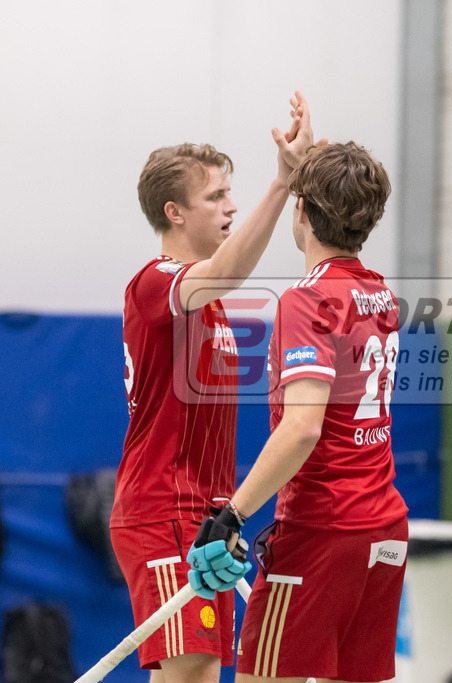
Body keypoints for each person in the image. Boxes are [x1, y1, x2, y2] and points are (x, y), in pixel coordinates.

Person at [110, 92, 315, 683]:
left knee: (198, 676)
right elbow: (229, 267)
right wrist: (283, 184)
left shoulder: (213, 308)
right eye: (216, 196)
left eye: (232, 192)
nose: (231, 205)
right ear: (175, 212)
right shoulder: (156, 285)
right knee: (191, 674)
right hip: (163, 511)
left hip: (206, 515)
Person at [187, 141, 409, 683]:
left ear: (302, 211)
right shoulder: (379, 294)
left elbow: (304, 426)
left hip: (322, 531)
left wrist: (232, 516)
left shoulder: (306, 300)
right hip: (384, 528)